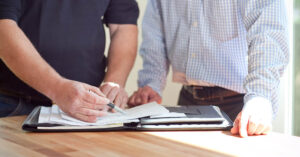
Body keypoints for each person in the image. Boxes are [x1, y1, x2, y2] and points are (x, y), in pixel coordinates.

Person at [128, 0, 289, 137]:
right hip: (187, 102)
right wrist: (152, 83)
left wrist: (261, 96)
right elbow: (154, 33)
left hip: (241, 107)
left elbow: (268, 32)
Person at [0, 0, 139, 122]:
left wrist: (114, 83)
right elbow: (3, 28)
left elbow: (123, 26)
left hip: (87, 108)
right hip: (14, 106)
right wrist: (57, 88)